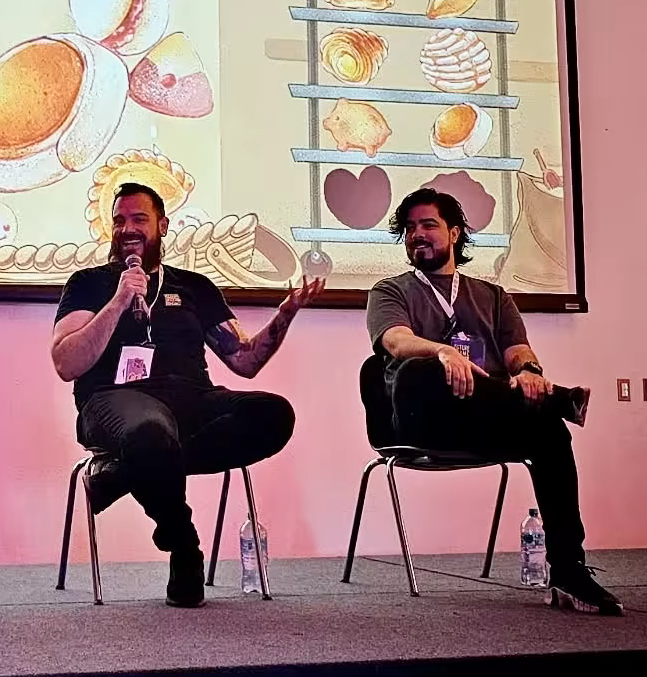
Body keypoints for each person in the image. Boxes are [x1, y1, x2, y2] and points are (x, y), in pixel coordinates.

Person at [51, 184, 323, 607]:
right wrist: (120, 300)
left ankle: (124, 473)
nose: (127, 229)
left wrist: (284, 315)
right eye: (119, 220)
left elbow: (244, 360)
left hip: (194, 399)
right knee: (150, 434)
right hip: (114, 399)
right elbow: (66, 362)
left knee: (273, 414)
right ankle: (183, 545)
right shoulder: (89, 284)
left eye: (139, 219)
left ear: (162, 226)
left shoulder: (194, 286)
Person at [366, 188, 619, 615]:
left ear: (455, 233)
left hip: (485, 420)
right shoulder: (390, 290)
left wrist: (530, 372)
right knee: (418, 371)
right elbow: (396, 341)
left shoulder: (494, 296)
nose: (416, 235)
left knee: (549, 431)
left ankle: (568, 570)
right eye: (409, 228)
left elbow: (518, 351)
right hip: (424, 419)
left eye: (428, 225)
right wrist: (443, 353)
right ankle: (559, 400)